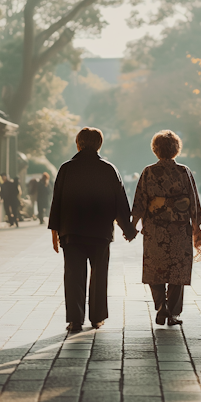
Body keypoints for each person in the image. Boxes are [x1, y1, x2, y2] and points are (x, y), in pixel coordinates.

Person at [48, 127, 137, 333]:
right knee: (99, 275)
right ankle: (97, 318)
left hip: (71, 231)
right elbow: (120, 203)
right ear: (99, 145)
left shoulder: (66, 169)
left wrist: (54, 231)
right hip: (100, 232)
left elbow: (57, 201)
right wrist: (128, 229)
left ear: (78, 144)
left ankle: (75, 320)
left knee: (73, 275)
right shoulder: (109, 169)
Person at [132, 129, 201, 327]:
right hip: (179, 229)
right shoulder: (184, 172)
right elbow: (193, 200)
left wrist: (131, 226)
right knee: (177, 270)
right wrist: (197, 227)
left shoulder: (149, 171)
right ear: (176, 149)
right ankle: (173, 313)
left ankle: (160, 306)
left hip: (155, 229)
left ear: (155, 150)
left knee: (155, 269)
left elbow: (140, 200)